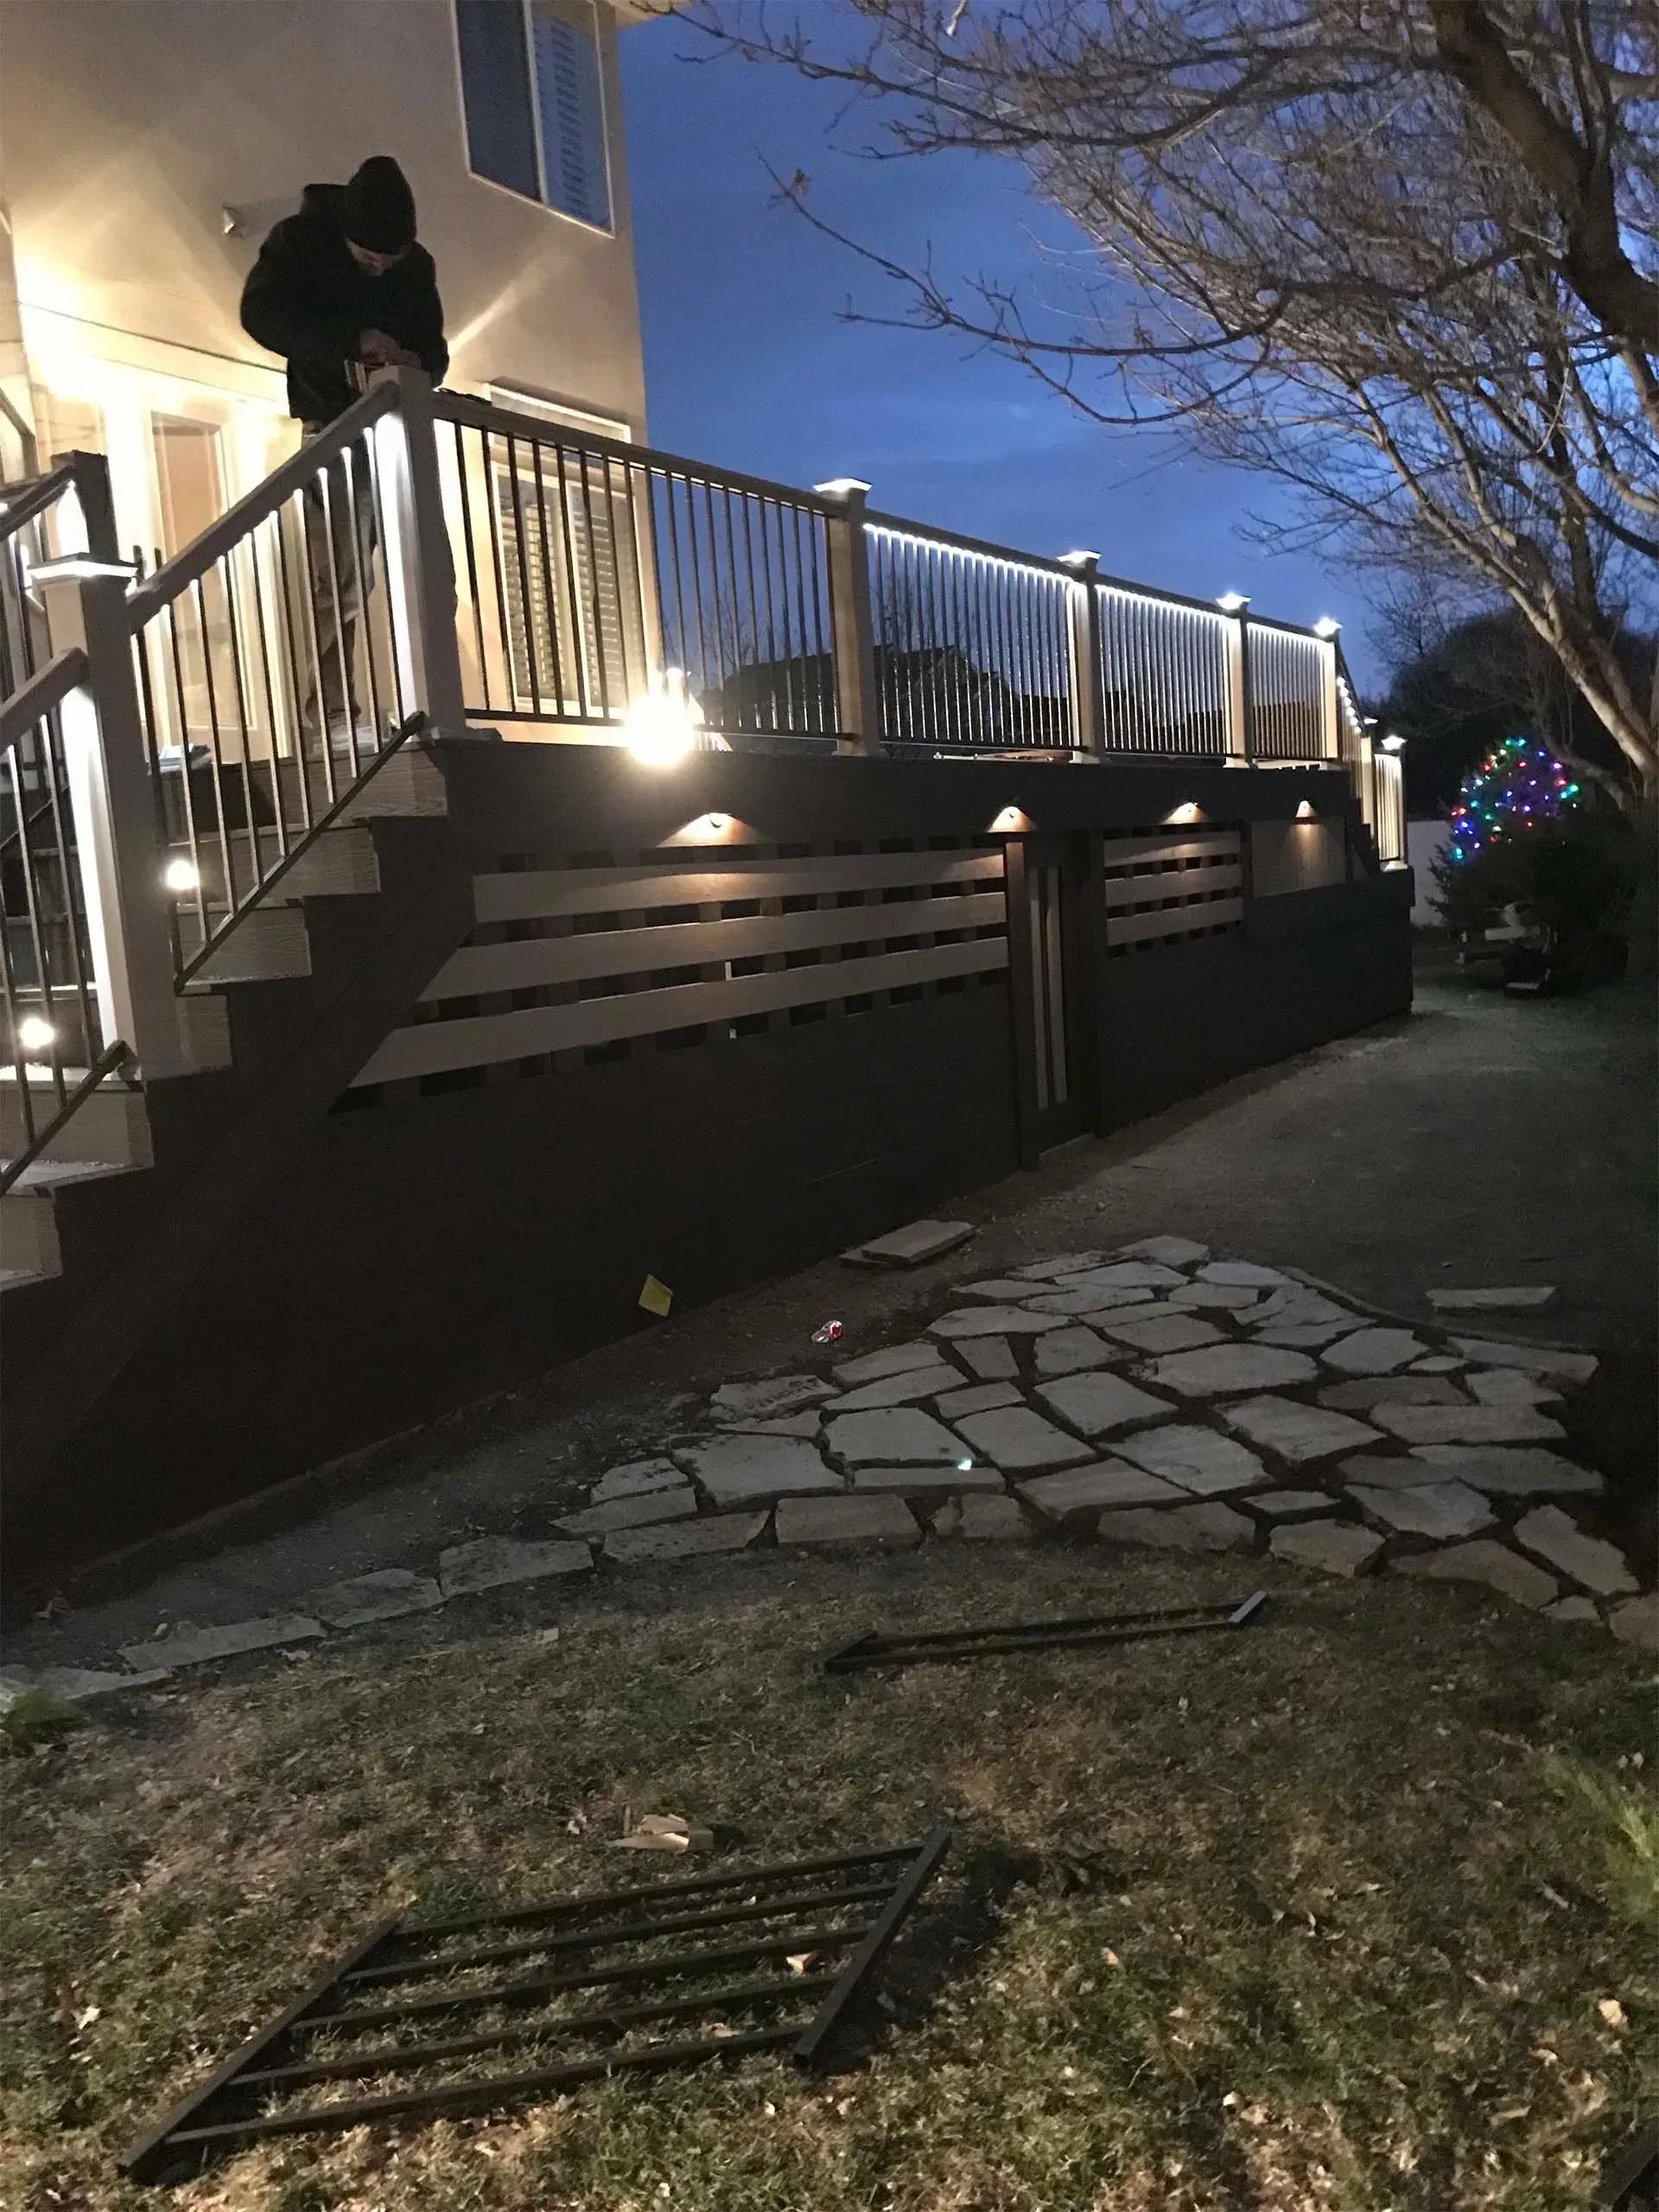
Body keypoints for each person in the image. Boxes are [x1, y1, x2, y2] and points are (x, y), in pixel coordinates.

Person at [240, 156, 448, 750]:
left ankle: (436, 707)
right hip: (333, 428)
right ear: (346, 236)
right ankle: (331, 715)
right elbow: (261, 315)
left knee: (431, 571)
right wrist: (350, 341)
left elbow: (435, 351)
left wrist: (415, 364)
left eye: (390, 259)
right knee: (342, 582)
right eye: (367, 257)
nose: (379, 267)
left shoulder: (416, 266)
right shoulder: (299, 241)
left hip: (401, 433)